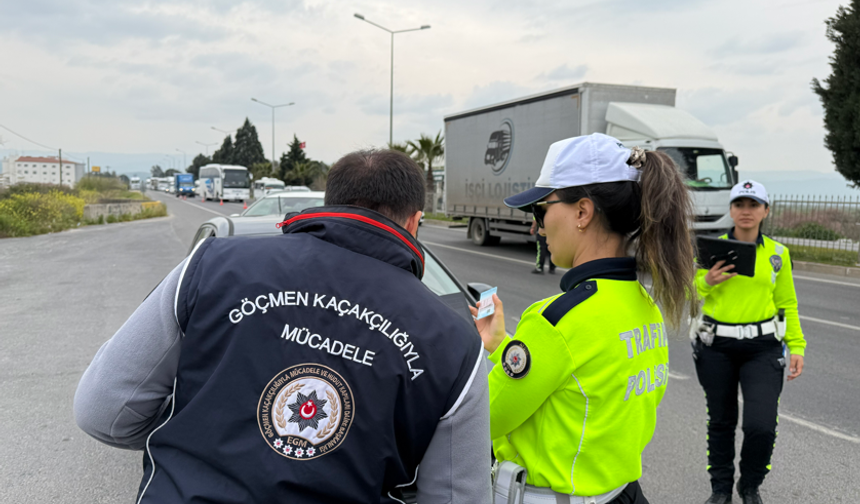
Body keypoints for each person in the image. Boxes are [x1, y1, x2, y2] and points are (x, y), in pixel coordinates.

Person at [74, 150, 491, 504]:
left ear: (333, 201)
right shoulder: (454, 343)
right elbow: (459, 495)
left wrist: (196, 428)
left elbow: (103, 409)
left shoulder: (212, 265)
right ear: (416, 222)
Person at [470, 133, 697, 504]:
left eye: (540, 210)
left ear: (582, 212)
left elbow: (485, 419)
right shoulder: (645, 305)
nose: (537, 227)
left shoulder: (557, 319)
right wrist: (499, 344)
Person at [693, 180, 806, 504]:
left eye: (753, 205)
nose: (746, 211)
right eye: (739, 204)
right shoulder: (710, 249)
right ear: (730, 210)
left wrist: (796, 346)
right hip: (717, 347)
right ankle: (720, 489)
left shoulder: (777, 254)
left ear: (765, 211)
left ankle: (750, 484)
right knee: (721, 421)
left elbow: (788, 303)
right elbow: (689, 290)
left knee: (761, 426)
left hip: (763, 348)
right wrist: (708, 280)